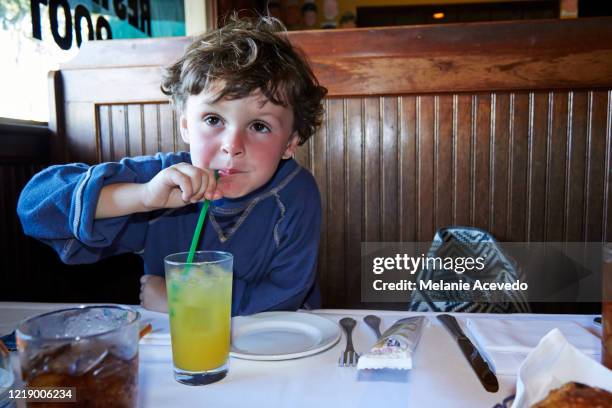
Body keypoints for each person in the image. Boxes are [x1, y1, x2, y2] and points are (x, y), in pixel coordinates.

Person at [17, 16, 328, 316]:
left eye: (260, 126)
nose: (232, 146)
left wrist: (184, 299)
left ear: (290, 142)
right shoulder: (162, 180)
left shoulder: (297, 194)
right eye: (213, 119)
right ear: (185, 126)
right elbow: (35, 208)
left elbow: (286, 295)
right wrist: (143, 197)